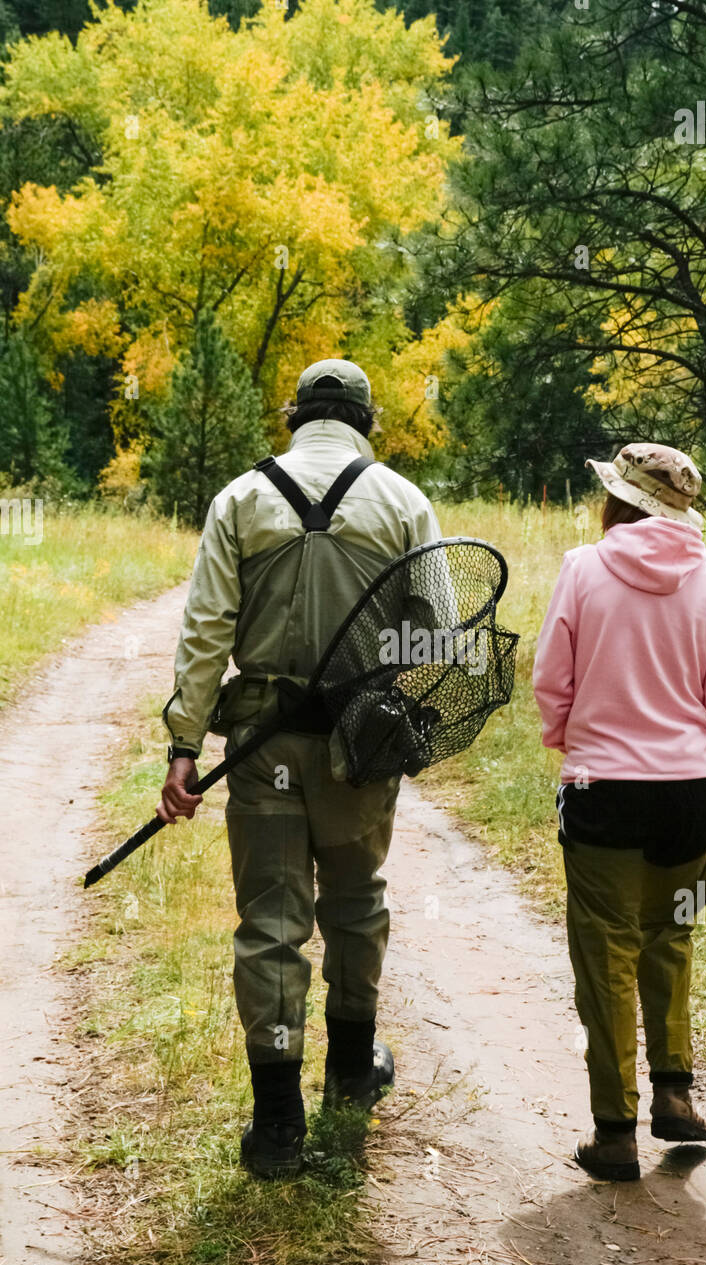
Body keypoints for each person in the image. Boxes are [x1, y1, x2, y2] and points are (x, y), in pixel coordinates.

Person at [157, 359, 443, 1180]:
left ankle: (278, 1123)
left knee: (272, 923)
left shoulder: (240, 500)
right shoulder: (403, 501)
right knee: (356, 905)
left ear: (295, 417)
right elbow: (439, 637)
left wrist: (184, 744)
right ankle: (352, 1070)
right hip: (361, 746)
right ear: (365, 420)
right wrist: (381, 681)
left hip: (259, 747)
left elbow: (207, 630)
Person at [532, 443, 706, 1182]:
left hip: (604, 790)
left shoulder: (584, 568)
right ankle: (676, 1095)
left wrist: (575, 738)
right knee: (670, 940)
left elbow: (550, 681)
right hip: (691, 793)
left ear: (619, 500)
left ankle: (614, 1131)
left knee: (606, 956)